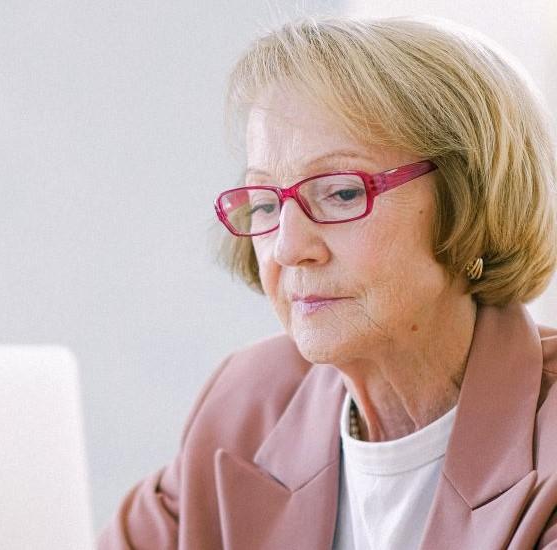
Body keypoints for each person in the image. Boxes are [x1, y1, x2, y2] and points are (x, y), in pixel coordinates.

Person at [98, 15, 557, 549]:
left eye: (341, 193)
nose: (288, 248)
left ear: (471, 200)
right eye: (266, 202)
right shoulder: (247, 404)